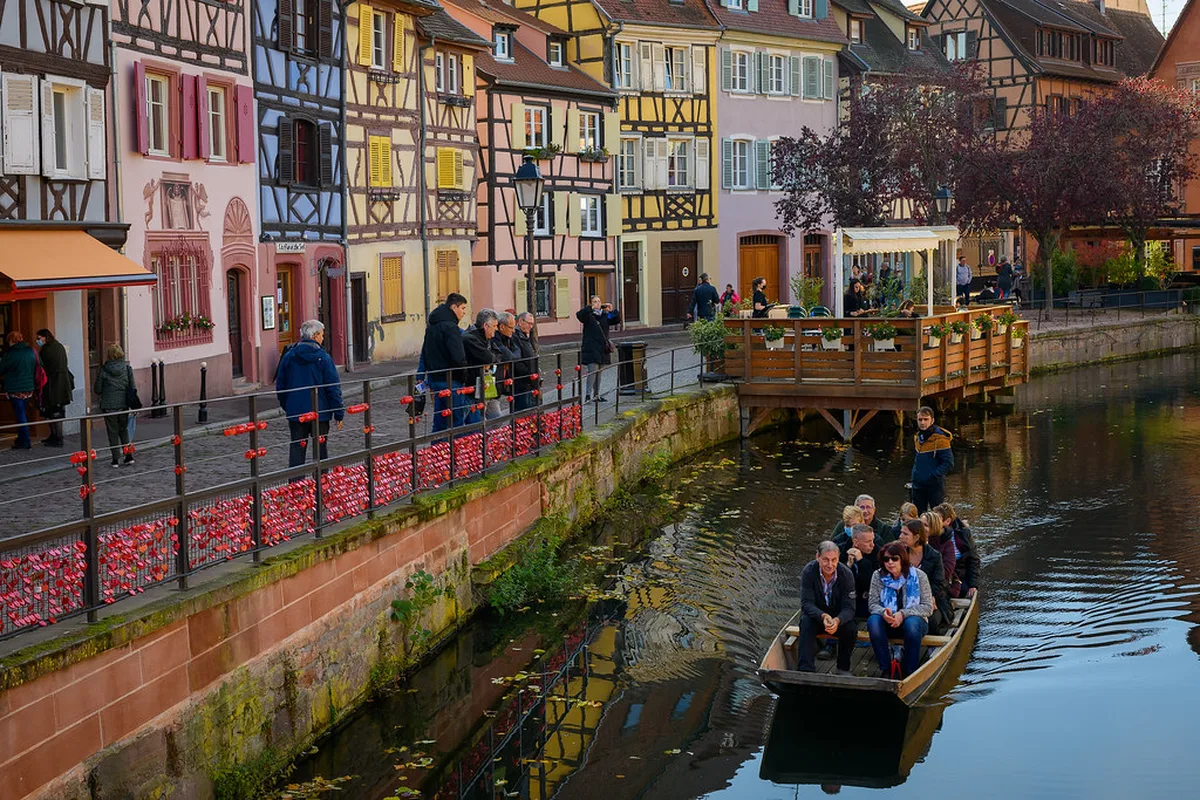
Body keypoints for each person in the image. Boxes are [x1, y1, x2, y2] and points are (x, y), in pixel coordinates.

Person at [275, 320, 345, 468]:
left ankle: (295, 485)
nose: (323, 338)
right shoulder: (324, 358)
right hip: (320, 412)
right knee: (320, 450)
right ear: (315, 336)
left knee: (296, 450)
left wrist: (288, 406)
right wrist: (338, 413)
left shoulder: (289, 356)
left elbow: (281, 385)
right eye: (321, 335)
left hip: (296, 412)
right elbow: (332, 388)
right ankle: (321, 484)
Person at [868, 541, 933, 679]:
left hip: (914, 623)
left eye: (894, 558)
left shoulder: (920, 576)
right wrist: (883, 613)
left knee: (912, 623)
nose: (890, 562)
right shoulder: (877, 576)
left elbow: (928, 607)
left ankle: (910, 670)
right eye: (886, 559)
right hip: (888, 621)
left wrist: (903, 614)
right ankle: (885, 668)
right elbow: (873, 604)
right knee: (873, 621)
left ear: (902, 559)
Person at [797, 541, 858, 675]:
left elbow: (850, 608)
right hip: (817, 616)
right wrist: (822, 616)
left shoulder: (846, 574)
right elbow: (806, 603)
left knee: (851, 628)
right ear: (817, 557)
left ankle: (843, 668)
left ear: (838, 559)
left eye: (833, 560)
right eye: (825, 560)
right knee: (805, 622)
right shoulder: (809, 571)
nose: (830, 565)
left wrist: (837, 620)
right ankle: (805, 669)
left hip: (837, 618)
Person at [422, 293, 470, 433]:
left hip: (436, 378)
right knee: (456, 422)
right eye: (462, 308)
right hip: (451, 379)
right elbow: (458, 355)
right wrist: (464, 374)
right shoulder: (451, 327)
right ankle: (454, 453)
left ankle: (437, 452)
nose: (464, 312)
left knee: (439, 422)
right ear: (453, 307)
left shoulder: (432, 326)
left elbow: (426, 352)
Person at [899, 519, 948, 635]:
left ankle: (931, 646)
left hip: (929, 598)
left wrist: (925, 597)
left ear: (916, 537)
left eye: (905, 534)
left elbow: (938, 583)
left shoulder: (934, 556)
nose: (900, 536)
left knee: (931, 619)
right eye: (901, 532)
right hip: (903, 597)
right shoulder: (899, 554)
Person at [92, 343, 135, 466]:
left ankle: (115, 459)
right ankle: (129, 455)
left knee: (112, 432)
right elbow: (132, 387)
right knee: (123, 430)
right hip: (123, 404)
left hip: (109, 405)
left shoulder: (104, 370)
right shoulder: (127, 369)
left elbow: (97, 389)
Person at [577, 296, 620, 402]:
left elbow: (616, 320)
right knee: (592, 370)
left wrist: (613, 310)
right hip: (591, 347)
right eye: (595, 302)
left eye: (599, 301)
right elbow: (579, 315)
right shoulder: (588, 316)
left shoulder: (605, 315)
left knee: (599, 371)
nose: (597, 303)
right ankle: (588, 395)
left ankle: (597, 395)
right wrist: (590, 308)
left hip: (603, 348)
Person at [911, 406, 953, 512]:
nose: (922, 422)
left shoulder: (941, 440)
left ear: (932, 420)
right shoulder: (918, 438)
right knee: (919, 517)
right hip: (918, 484)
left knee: (937, 516)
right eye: (920, 420)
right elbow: (918, 461)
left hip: (934, 485)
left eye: (926, 419)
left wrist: (934, 476)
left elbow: (948, 463)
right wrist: (914, 476)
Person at [34, 329, 72, 447]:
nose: (38, 341)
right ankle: (55, 436)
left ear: (45, 337)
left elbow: (42, 366)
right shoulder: (59, 346)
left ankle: (57, 437)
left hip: (52, 384)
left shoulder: (47, 349)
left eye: (39, 338)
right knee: (57, 411)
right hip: (62, 384)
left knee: (52, 411)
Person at [934, 502, 980, 599]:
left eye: (937, 519)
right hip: (942, 575)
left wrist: (973, 585)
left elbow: (973, 559)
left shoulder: (964, 534)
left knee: (963, 590)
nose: (934, 523)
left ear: (947, 521)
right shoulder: (932, 535)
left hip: (960, 573)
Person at [0, 331, 38, 450]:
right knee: (22, 412)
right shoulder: (31, 351)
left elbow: (2, 369)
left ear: (11, 341)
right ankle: (22, 438)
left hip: (15, 389)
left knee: (20, 414)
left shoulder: (11, 353)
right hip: (29, 388)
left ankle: (25, 440)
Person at [462, 309, 497, 425]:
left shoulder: (488, 339)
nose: (496, 329)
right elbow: (489, 358)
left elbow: (500, 355)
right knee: (468, 424)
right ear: (486, 326)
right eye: (494, 326)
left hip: (480, 387)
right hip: (469, 386)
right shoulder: (470, 338)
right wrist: (490, 359)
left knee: (479, 423)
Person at [840, 523, 879, 618]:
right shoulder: (841, 551)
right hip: (846, 599)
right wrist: (848, 566)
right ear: (856, 542)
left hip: (868, 599)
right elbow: (838, 581)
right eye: (868, 542)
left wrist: (862, 562)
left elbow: (872, 583)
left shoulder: (878, 553)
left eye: (873, 540)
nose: (872, 545)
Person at [486, 312, 519, 420]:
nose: (513, 331)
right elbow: (510, 356)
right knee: (491, 418)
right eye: (511, 328)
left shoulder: (508, 338)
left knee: (496, 419)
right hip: (489, 384)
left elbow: (517, 353)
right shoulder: (495, 340)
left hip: (497, 387)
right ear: (502, 327)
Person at [921, 510, 957, 589]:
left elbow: (947, 570)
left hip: (937, 584)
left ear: (934, 527)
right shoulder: (915, 542)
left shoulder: (947, 544)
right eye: (921, 525)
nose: (922, 528)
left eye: (926, 525)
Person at [512, 311, 538, 412]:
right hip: (523, 381)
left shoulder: (527, 335)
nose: (531, 326)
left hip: (530, 381)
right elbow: (517, 360)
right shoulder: (516, 336)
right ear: (520, 322)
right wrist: (528, 373)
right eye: (529, 323)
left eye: (532, 324)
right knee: (523, 412)